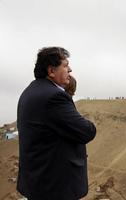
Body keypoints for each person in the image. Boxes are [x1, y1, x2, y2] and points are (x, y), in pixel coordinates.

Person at [17, 47, 96, 200]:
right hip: (54, 187)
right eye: (65, 66)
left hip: (37, 181)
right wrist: (89, 120)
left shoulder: (29, 91)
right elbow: (86, 131)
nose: (70, 69)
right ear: (52, 71)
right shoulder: (54, 97)